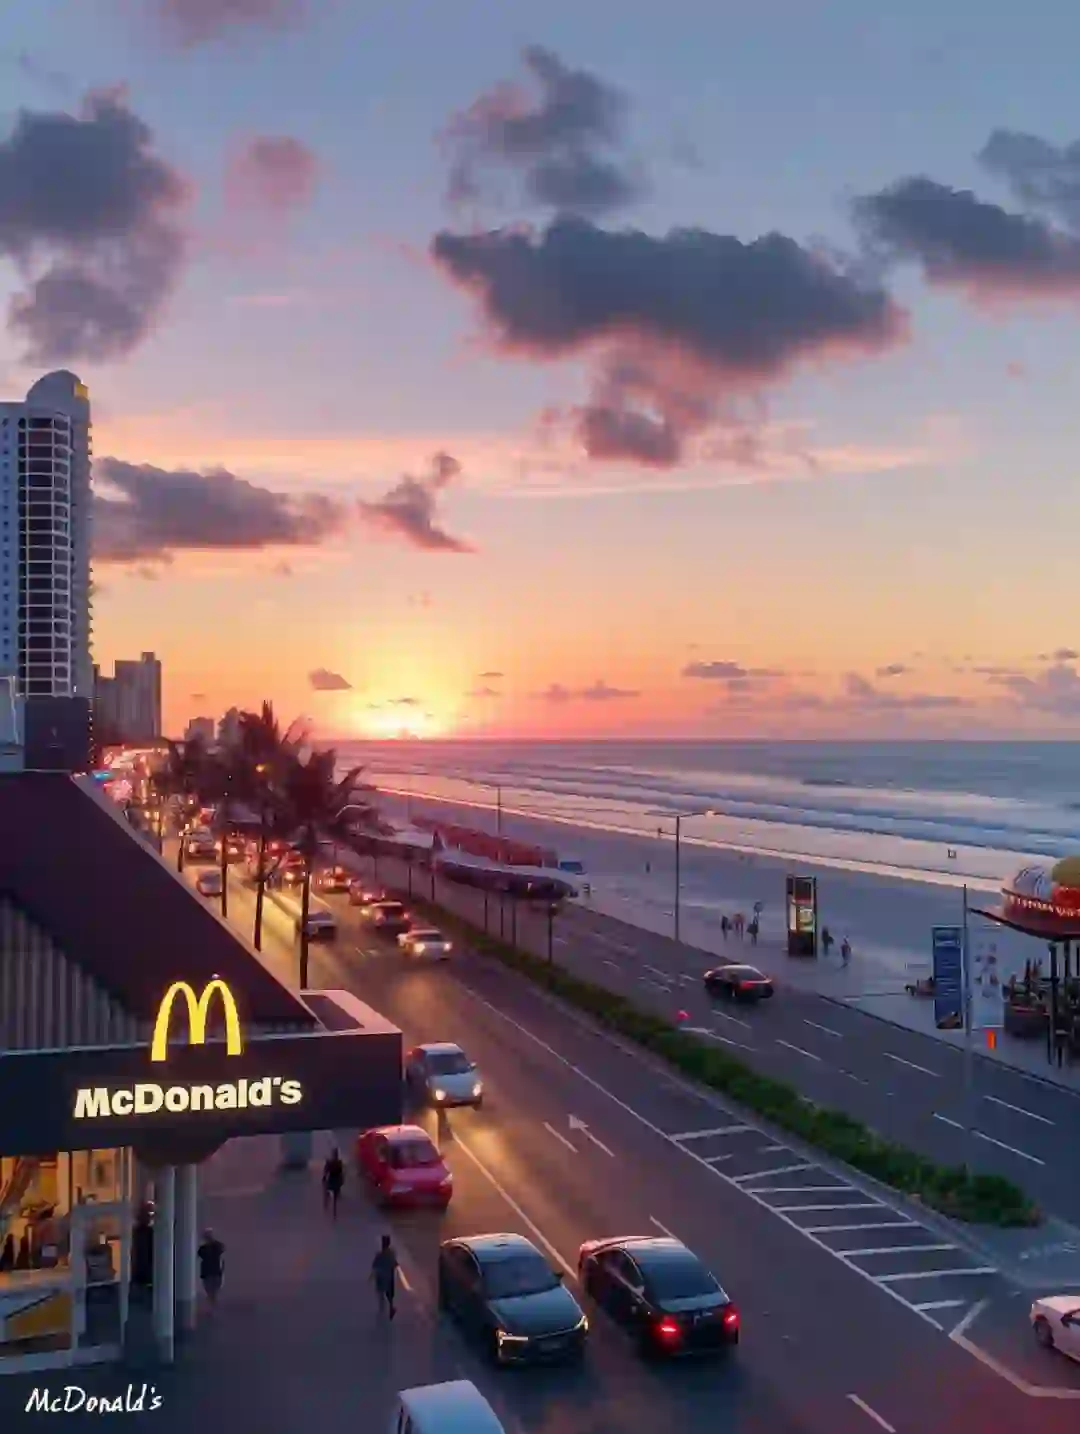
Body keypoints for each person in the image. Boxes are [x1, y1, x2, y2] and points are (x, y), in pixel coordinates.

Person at [371, 1234, 399, 1321]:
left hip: (380, 1276)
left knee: (381, 1293)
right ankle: (390, 1308)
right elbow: (395, 1264)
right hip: (389, 1276)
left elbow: (375, 1266)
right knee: (390, 1294)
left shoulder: (379, 1255)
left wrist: (372, 1276)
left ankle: (382, 1310)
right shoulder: (391, 1254)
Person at [197, 1229, 225, 1309]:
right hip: (213, 1273)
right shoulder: (218, 1246)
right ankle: (212, 1307)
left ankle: (211, 1307)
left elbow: (198, 1257)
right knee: (212, 1292)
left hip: (209, 1273)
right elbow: (222, 1258)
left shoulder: (204, 1248)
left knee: (211, 1292)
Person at [322, 1147, 345, 1220]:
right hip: (336, 1180)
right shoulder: (339, 1162)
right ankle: (333, 1211)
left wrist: (324, 1178)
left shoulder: (330, 1162)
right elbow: (341, 1173)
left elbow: (326, 1171)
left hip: (332, 1179)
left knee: (327, 1191)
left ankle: (326, 1202)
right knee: (334, 1194)